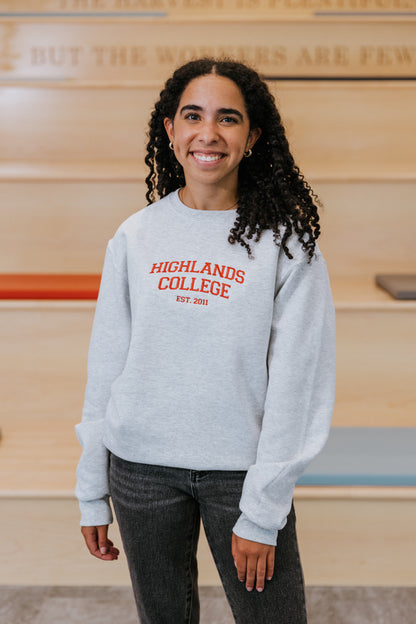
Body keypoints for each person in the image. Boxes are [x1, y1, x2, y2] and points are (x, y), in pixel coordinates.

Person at [75, 58, 336, 624]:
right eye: (193, 116)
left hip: (239, 476)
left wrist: (263, 511)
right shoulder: (135, 236)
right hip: (140, 471)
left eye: (229, 119)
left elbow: (299, 385)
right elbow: (106, 367)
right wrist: (91, 487)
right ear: (170, 130)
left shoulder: (287, 245)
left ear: (252, 136)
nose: (208, 133)